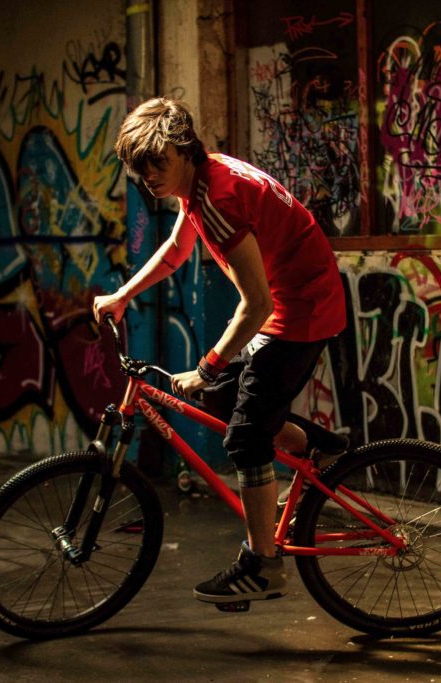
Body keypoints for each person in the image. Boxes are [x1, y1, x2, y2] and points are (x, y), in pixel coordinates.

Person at [92, 97, 346, 606]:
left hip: (302, 310)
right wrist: (123, 295)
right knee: (225, 402)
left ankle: (263, 565)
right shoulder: (201, 182)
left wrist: (207, 367)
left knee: (245, 437)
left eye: (157, 163)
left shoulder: (218, 199)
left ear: (184, 150)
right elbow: (175, 251)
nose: (149, 177)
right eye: (140, 169)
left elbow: (256, 305)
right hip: (290, 303)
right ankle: (318, 447)